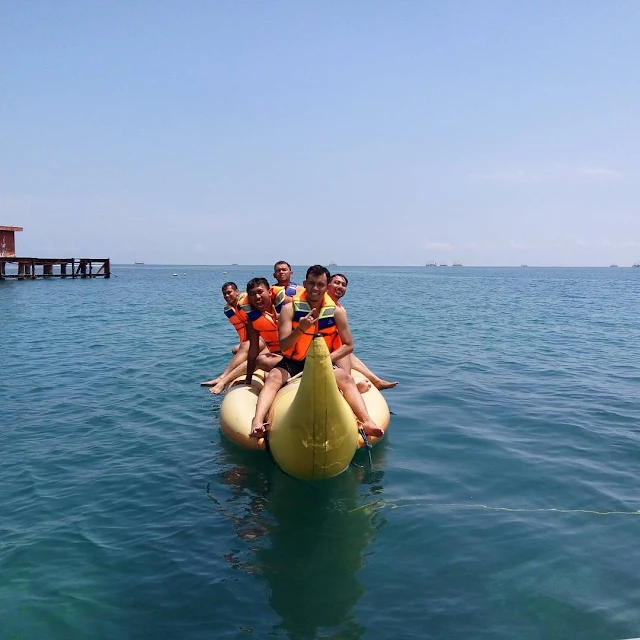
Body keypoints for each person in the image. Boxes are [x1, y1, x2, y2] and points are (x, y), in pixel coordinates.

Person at [249, 265, 384, 440]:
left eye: (320, 284)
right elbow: (283, 346)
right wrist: (300, 330)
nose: (315, 288)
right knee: (274, 377)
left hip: (323, 361)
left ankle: (366, 421)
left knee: (346, 378)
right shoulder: (289, 309)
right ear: (304, 283)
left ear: (326, 286)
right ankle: (258, 421)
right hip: (293, 361)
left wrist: (326, 359)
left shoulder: (337, 312)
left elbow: (349, 345)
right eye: (311, 283)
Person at [206, 277, 283, 394]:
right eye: (252, 294)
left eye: (260, 292)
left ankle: (224, 379)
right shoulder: (252, 315)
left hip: (292, 354)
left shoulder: (284, 307)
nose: (257, 297)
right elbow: (253, 347)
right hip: (270, 345)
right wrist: (248, 379)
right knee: (246, 351)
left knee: (255, 354)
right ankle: (224, 379)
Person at [328, 273, 398, 391]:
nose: (340, 286)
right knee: (345, 352)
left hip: (333, 349)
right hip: (320, 350)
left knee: (347, 351)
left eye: (343, 285)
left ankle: (376, 381)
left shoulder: (339, 309)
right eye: (337, 283)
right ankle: (351, 388)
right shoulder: (319, 303)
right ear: (327, 285)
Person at [201, 282, 257, 388]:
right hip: (254, 342)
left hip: (265, 340)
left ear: (237, 292)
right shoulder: (230, 309)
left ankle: (223, 378)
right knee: (235, 349)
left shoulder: (249, 303)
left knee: (245, 346)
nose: (227, 296)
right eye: (224, 294)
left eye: (229, 292)